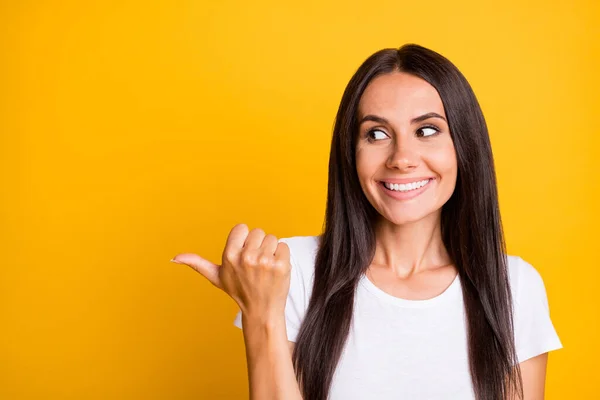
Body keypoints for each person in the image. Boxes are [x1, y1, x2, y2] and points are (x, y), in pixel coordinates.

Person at [171, 44, 563, 400]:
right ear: (350, 154)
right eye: (376, 134)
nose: (401, 158)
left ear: (464, 146)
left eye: (427, 130)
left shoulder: (514, 286)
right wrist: (260, 313)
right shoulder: (293, 270)